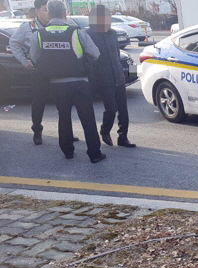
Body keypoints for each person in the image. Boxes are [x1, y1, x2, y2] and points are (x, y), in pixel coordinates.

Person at [30, 0, 106, 163]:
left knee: (63, 117)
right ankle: (94, 153)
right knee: (87, 118)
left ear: (49, 13)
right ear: (65, 13)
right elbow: (95, 53)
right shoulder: (76, 32)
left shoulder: (39, 34)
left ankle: (68, 151)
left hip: (56, 84)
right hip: (79, 82)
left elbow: (35, 58)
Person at [9, 0, 78, 145]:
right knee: (38, 103)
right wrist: (24, 61)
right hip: (40, 72)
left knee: (64, 104)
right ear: (37, 11)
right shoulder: (28, 27)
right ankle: (37, 130)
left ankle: (67, 133)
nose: (48, 12)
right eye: (45, 9)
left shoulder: (65, 24)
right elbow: (14, 43)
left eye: (49, 9)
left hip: (60, 72)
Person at [87, 5, 136, 148]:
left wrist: (129, 75)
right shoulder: (89, 35)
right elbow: (88, 60)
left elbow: (117, 54)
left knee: (124, 111)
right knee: (112, 109)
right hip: (103, 80)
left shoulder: (113, 33)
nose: (108, 21)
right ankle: (105, 131)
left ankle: (123, 138)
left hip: (118, 78)